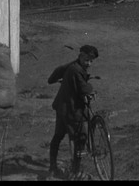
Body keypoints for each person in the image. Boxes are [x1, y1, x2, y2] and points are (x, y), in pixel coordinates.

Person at [47, 45, 98, 179]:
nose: (89, 63)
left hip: (62, 107)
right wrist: (91, 89)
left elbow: (57, 75)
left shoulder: (73, 66)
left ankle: (52, 167)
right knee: (80, 137)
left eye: (91, 61)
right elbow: (83, 87)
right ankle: (75, 170)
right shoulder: (76, 70)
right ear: (80, 56)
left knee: (58, 135)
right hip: (71, 110)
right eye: (87, 60)